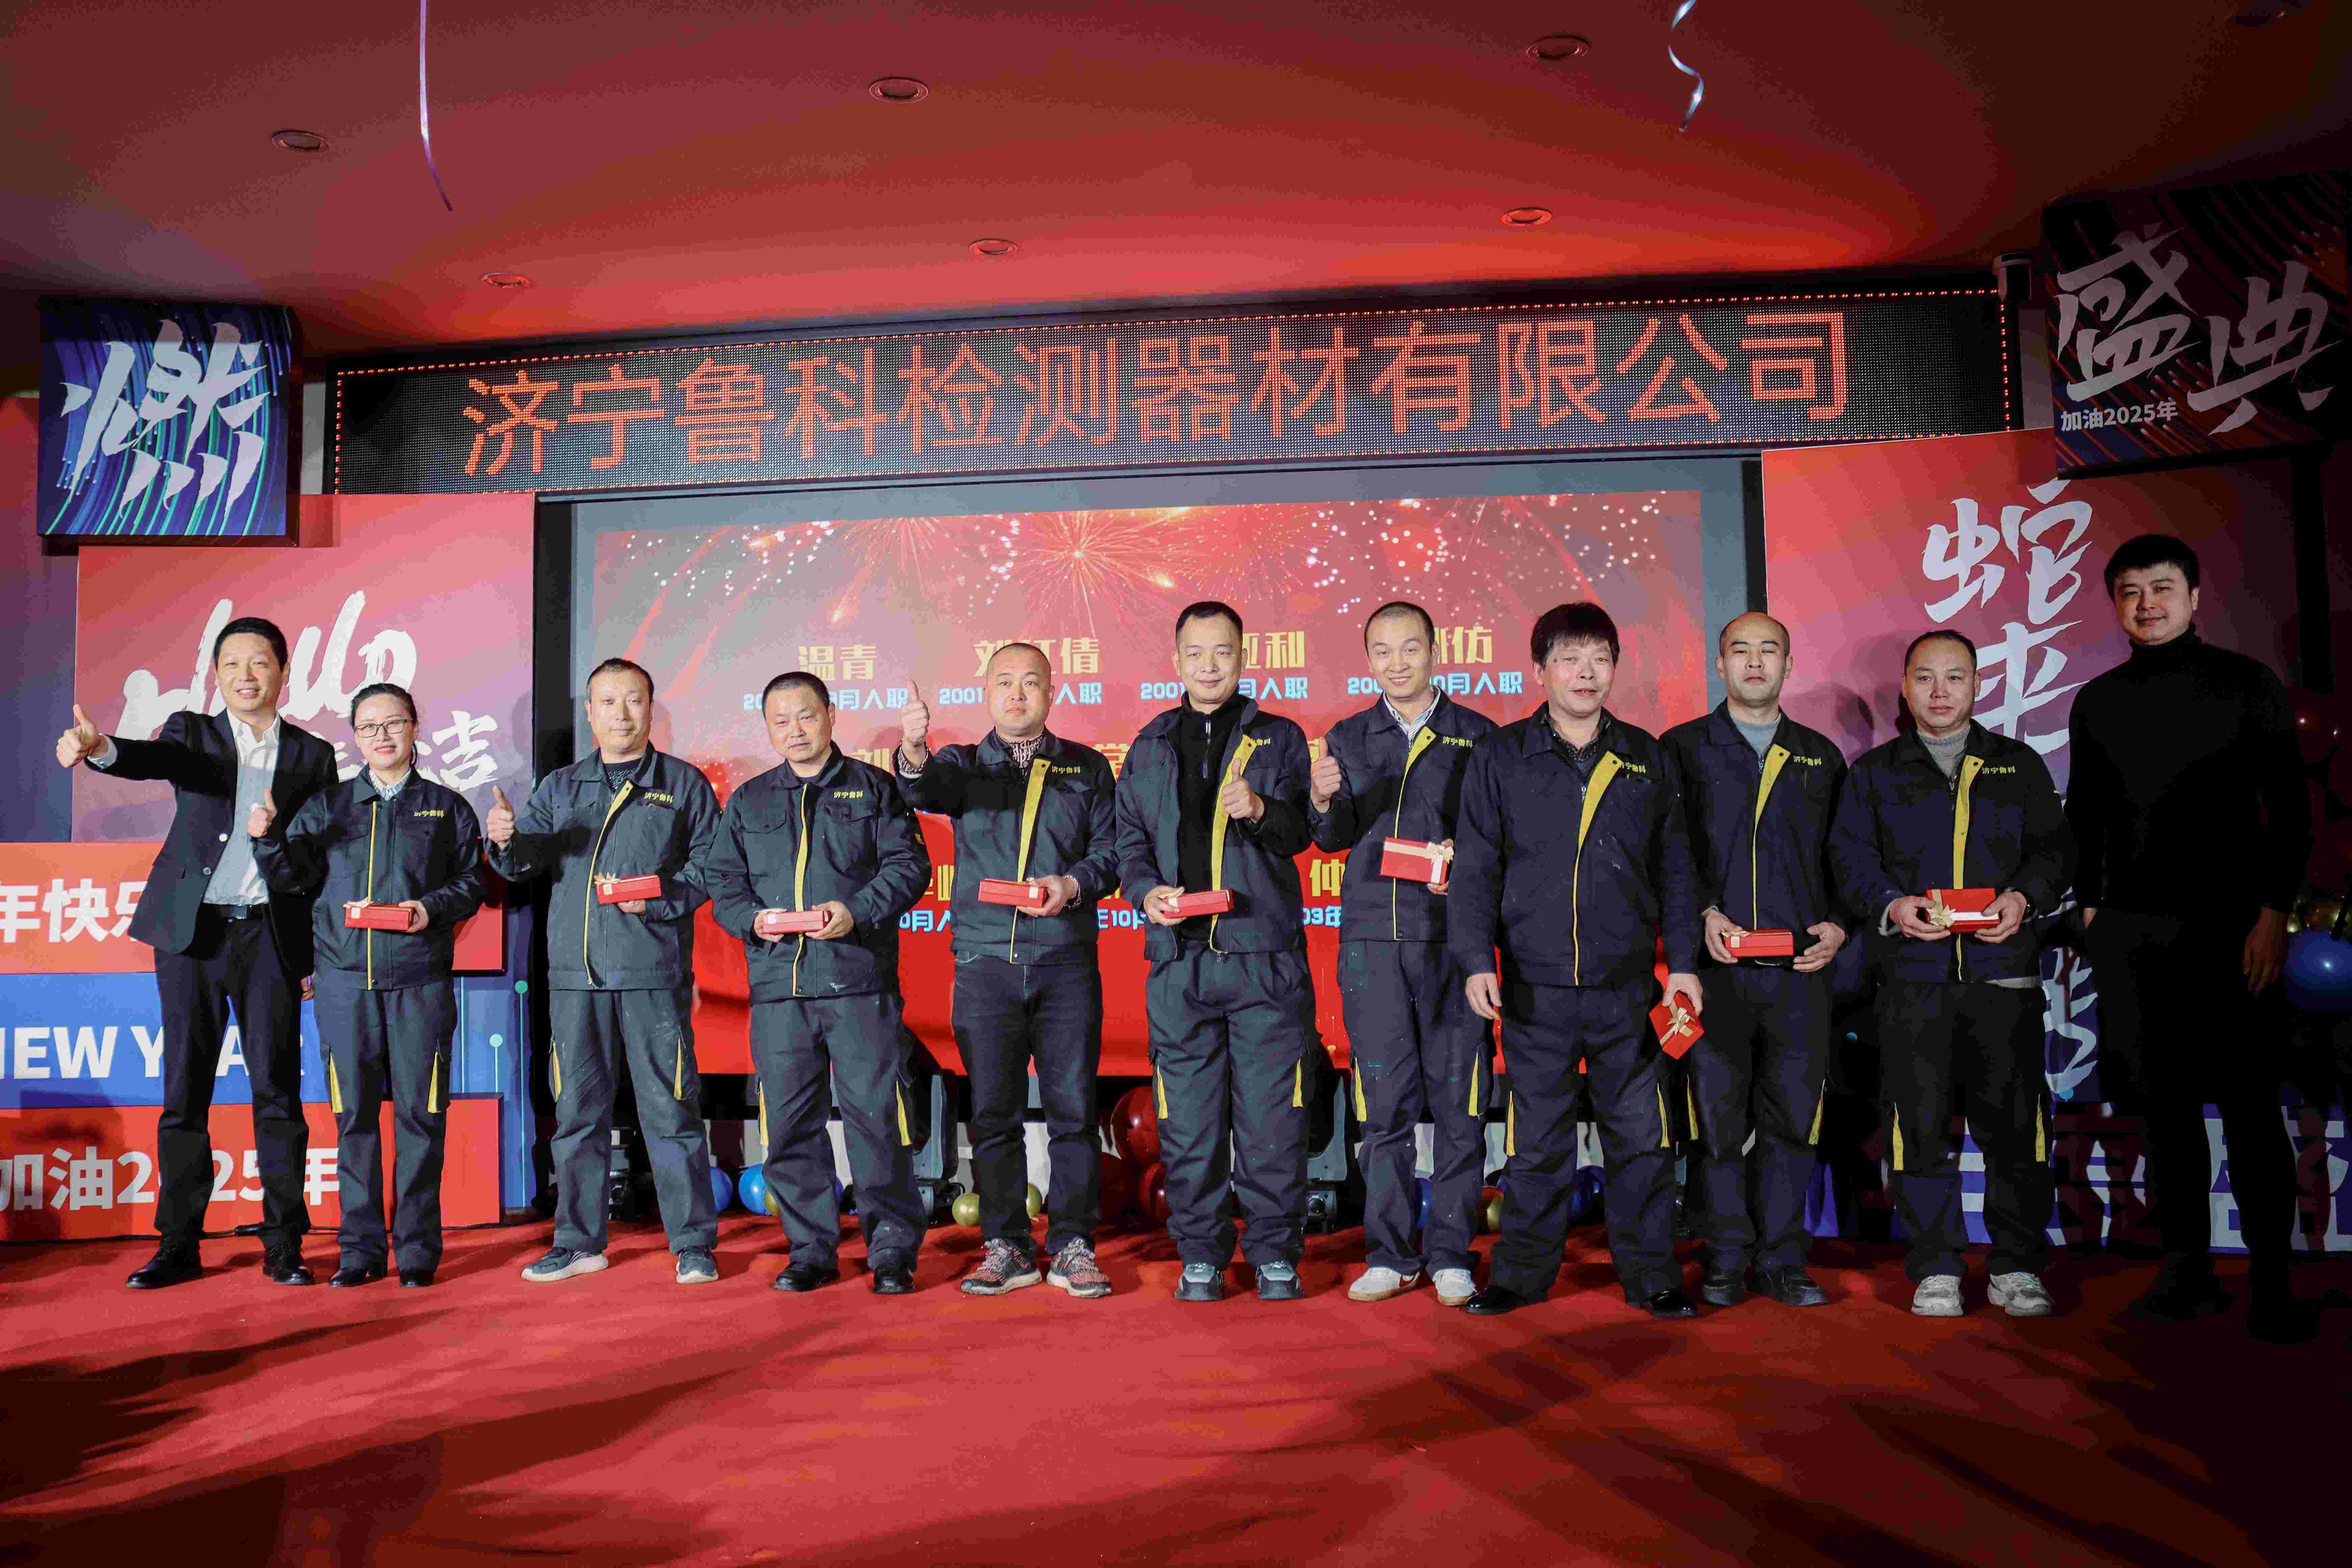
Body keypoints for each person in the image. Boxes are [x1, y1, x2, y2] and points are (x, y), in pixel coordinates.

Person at [2067, 534, 2315, 1343]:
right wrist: (2092, 911)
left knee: (2250, 1110)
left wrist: (2273, 911)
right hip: (2134, 936)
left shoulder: (2248, 684)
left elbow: (2290, 811)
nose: (2148, 604)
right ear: (2115, 603)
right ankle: (2187, 1270)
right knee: (2165, 1113)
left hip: (2233, 929)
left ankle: (2272, 1280)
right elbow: (2085, 817)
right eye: (2131, 591)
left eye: (2163, 587)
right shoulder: (2097, 700)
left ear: (2195, 595)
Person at [58, 616, 339, 1290]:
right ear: (216, 675)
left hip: (269, 938)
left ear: (283, 672)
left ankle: (285, 1245)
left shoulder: (312, 755)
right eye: (233, 663)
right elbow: (158, 761)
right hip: (193, 936)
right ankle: (178, 1246)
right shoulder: (193, 733)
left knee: (277, 1094)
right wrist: (102, 748)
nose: (247, 674)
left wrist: (310, 952)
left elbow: (314, 859)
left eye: (260, 662)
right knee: (184, 1093)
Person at [1448, 602, 1705, 1319]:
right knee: (1537, 1145)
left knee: (1642, 1141)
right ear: (1541, 670)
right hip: (1535, 989)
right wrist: (1476, 959)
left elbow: (1677, 870)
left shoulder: (1648, 756)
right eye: (1569, 659)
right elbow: (1477, 868)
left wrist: (1685, 964)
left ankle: (1653, 1277)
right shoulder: (1502, 756)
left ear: (1616, 667)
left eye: (1598, 659)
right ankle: (1519, 1277)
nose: (1585, 673)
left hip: (1629, 991)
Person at [1828, 630, 2074, 1318]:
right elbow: (1849, 858)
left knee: (2017, 1134)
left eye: (1955, 677)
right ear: (1906, 688)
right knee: (1919, 1131)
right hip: (1913, 983)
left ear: (1977, 685)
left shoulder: (2017, 765)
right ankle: (1935, 1264)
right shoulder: (1874, 773)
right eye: (1926, 678)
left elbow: (2056, 852)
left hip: (2004, 980)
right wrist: (1892, 905)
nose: (1940, 692)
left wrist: (2023, 898)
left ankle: (2016, 1266)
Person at [486, 657, 723, 1285]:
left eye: (634, 700)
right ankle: (578, 1243)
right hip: (576, 978)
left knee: (671, 1111)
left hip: (652, 973)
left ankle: (693, 1244)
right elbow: (521, 865)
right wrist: (505, 839)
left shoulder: (683, 784)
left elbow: (712, 867)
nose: (622, 714)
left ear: (652, 709)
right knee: (577, 1116)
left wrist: (659, 899)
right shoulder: (562, 787)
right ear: (589, 713)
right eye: (608, 702)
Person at [896, 644, 1119, 1298]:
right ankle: (1008, 1246)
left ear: (1053, 691)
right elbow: (923, 789)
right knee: (993, 1114)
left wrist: (1072, 884)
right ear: (986, 693)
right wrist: (914, 748)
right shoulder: (963, 764)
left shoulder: (1086, 766)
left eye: (1030, 683)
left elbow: (1111, 853)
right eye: (1005, 683)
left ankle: (1073, 1244)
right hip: (985, 962)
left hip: (1064, 961)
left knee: (1074, 1112)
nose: (1017, 695)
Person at [250, 683, 487, 1288]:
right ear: (355, 737)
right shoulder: (328, 807)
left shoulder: (446, 808)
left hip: (420, 984)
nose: (382, 736)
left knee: (421, 1119)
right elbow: (290, 881)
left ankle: (417, 1253)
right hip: (344, 985)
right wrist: (266, 839)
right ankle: (359, 1252)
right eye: (369, 727)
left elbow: (471, 883)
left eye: (394, 723)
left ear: (415, 728)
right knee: (352, 1120)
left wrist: (428, 909)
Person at [1114, 601, 1318, 1302]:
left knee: (1272, 1119)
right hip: (1180, 961)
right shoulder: (1150, 745)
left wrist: (1258, 810)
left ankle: (1274, 1252)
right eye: (1196, 653)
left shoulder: (1280, 739)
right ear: (1176, 661)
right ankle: (1200, 1252)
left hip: (1263, 958)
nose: (1209, 666)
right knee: (1190, 1122)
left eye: (1222, 652)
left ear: (1243, 657)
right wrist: (1145, 893)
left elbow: (1303, 833)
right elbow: (1128, 842)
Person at [704, 671, 932, 1295]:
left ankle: (892, 1251)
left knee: (877, 1122)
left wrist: (856, 911)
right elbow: (724, 882)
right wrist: (754, 921)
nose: (795, 731)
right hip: (780, 991)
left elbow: (910, 866)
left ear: (831, 715)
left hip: (859, 986)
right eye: (781, 721)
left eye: (806, 716)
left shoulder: (874, 788)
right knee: (789, 1126)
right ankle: (810, 1250)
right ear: (768, 728)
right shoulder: (750, 801)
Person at [1308, 601, 1497, 1308]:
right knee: (1382, 1108)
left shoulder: (1478, 736)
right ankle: (1390, 1253)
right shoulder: (1348, 737)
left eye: (1410, 648)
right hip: (1372, 945)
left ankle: (1450, 1254)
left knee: (1460, 1106)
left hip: (1453, 942)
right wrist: (1322, 801)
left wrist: (1464, 858)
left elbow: (1500, 838)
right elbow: (1331, 839)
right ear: (1369, 660)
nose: (1398, 663)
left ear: (1435, 651)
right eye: (1383, 651)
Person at [1663, 612, 1850, 1309]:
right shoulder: (1682, 749)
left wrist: (1839, 925)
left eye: (1768, 651)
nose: (1754, 662)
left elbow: (1848, 859)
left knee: (1791, 1127)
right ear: (1720, 665)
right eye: (1739, 650)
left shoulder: (1820, 756)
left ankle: (1782, 1262)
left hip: (1800, 979)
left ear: (1788, 665)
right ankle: (1722, 1258)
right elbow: (1667, 854)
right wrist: (1703, 914)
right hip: (1714, 977)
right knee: (1717, 1132)